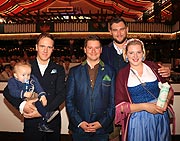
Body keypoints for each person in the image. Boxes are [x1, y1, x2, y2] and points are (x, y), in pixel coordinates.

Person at [100, 16, 171, 140]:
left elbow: (164, 84)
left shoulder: (146, 59)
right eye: (115, 30)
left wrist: (166, 71)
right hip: (113, 105)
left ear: (127, 29)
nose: (119, 33)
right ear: (110, 32)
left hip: (138, 109)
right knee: (114, 137)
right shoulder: (103, 52)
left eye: (122, 29)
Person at [3, 32, 66, 141]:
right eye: (42, 46)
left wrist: (44, 111)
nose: (45, 50)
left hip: (52, 122)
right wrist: (22, 106)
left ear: (53, 49)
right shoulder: (25, 67)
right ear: (36, 47)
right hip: (31, 120)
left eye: (49, 47)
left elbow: (61, 94)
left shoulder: (59, 69)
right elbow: (7, 91)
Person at [115, 38, 174, 141]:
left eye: (138, 52)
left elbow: (168, 89)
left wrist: (166, 102)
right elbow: (121, 107)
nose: (135, 56)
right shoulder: (122, 74)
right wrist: (145, 106)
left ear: (143, 53)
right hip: (138, 120)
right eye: (131, 53)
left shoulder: (154, 67)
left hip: (160, 116)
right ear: (126, 55)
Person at [66, 35, 115, 141]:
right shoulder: (74, 72)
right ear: (85, 49)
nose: (93, 51)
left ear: (101, 50)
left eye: (97, 48)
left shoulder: (110, 71)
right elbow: (69, 100)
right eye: (90, 48)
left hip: (102, 129)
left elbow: (113, 102)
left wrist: (102, 123)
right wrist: (79, 122)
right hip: (79, 128)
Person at [8, 61, 59, 132]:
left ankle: (43, 122)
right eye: (23, 75)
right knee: (37, 108)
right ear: (16, 75)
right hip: (24, 101)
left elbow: (38, 87)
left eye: (28, 74)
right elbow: (12, 91)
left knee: (39, 103)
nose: (27, 77)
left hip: (33, 98)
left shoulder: (32, 78)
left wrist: (42, 95)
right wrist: (23, 94)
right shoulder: (12, 81)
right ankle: (45, 116)